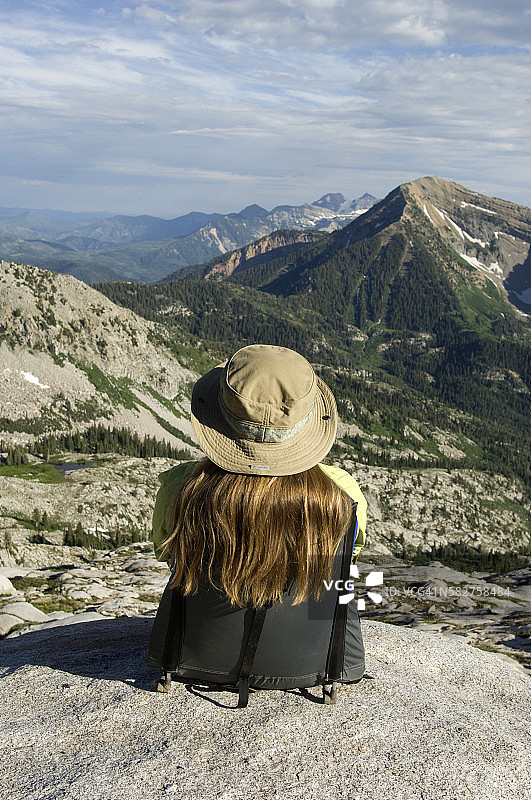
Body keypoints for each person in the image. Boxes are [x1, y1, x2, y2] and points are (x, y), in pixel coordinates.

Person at [147, 344, 367, 705]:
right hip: (315, 658)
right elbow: (346, 559)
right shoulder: (341, 492)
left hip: (197, 654)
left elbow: (164, 553)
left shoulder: (179, 488)